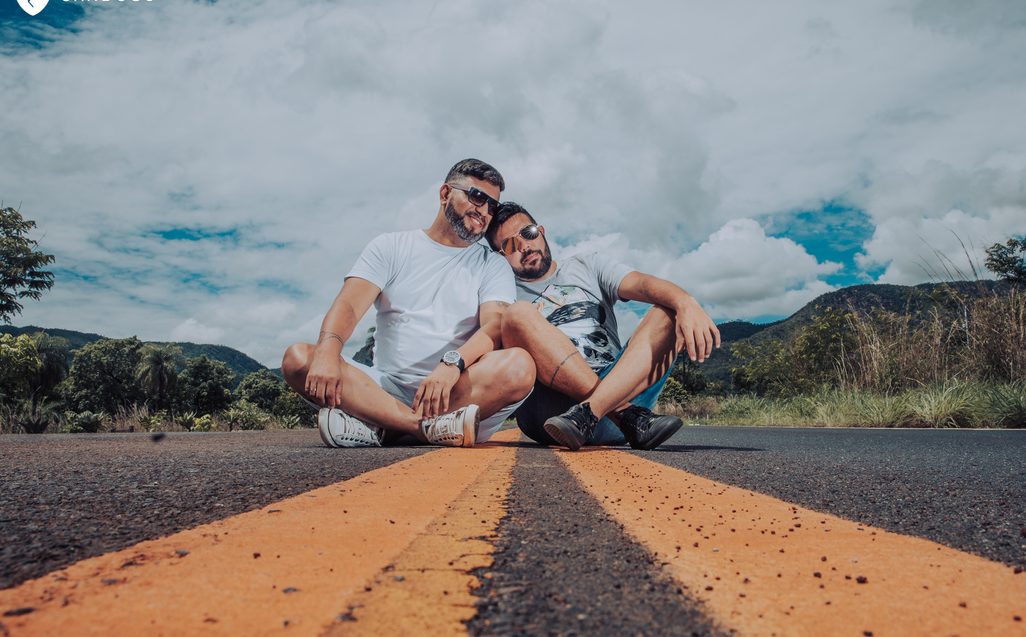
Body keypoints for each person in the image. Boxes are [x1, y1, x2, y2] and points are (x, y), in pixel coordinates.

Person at [282, 159, 536, 448]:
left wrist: (451, 365)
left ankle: (382, 427)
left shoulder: (492, 264)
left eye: (492, 207)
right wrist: (328, 351)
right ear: (444, 194)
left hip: (458, 390)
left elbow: (493, 326)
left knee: (519, 366)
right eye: (477, 197)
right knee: (298, 358)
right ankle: (421, 428)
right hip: (382, 390)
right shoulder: (391, 246)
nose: (484, 212)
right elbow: (349, 306)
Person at [485, 202, 720, 450]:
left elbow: (641, 284)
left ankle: (592, 412)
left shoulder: (587, 265)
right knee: (516, 314)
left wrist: (685, 302)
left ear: (541, 231)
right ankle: (621, 413)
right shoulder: (502, 292)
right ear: (500, 255)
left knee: (668, 311)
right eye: (510, 244)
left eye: (528, 232)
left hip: (619, 391)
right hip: (551, 412)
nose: (524, 245)